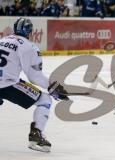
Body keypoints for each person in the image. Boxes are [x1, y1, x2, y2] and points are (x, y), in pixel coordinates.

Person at [0, 18, 69, 152]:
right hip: (8, 85)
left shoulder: (2, 40)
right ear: (29, 31)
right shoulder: (28, 46)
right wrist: (53, 88)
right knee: (45, 100)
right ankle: (36, 135)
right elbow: (34, 77)